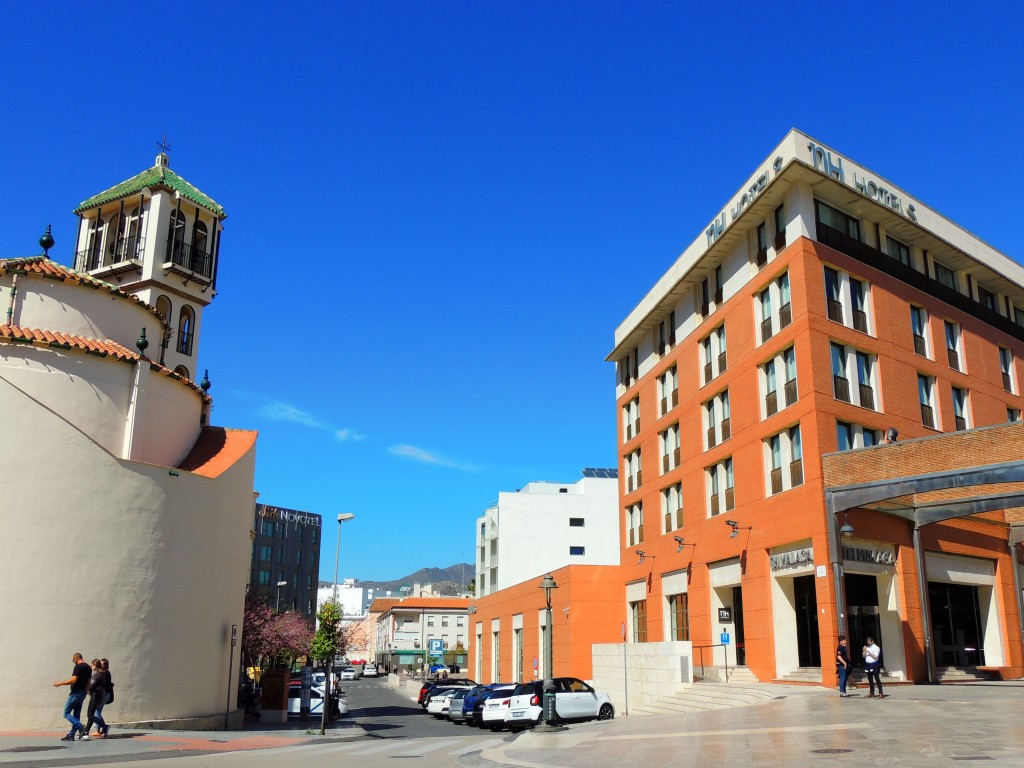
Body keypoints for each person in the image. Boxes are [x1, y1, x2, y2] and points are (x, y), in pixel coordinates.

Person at [53, 652, 92, 741]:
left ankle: (81, 727)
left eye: (73, 660)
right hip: (82, 693)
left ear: (75, 659)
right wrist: (86, 691)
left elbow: (73, 680)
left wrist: (60, 683)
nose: (73, 662)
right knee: (76, 715)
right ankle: (71, 735)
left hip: (75, 693)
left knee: (66, 713)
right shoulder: (88, 667)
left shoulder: (78, 666)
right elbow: (89, 681)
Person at [82, 659, 108, 740]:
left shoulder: (97, 675)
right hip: (98, 695)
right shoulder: (101, 674)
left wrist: (86, 691)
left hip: (95, 696)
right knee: (92, 714)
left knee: (89, 715)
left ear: (96, 665)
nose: (91, 666)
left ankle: (104, 726)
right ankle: (86, 732)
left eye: (92, 665)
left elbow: (91, 685)